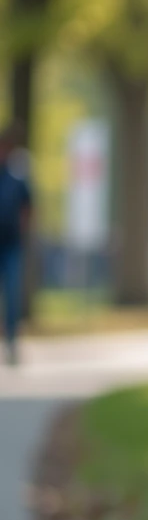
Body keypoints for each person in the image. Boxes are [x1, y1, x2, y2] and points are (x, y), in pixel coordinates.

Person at [0, 125, 32, 366]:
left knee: (12, 294)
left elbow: (28, 207)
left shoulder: (17, 179)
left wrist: (24, 231)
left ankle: (12, 341)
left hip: (11, 245)